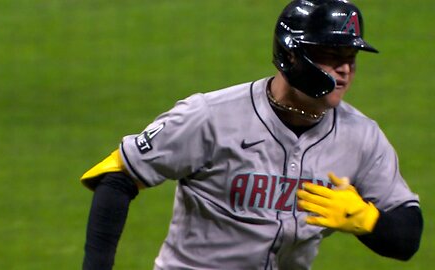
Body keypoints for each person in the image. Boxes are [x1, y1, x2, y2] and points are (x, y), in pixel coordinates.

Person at [80, 0, 423, 269]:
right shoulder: (211, 116)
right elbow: (117, 175)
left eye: (350, 58)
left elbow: (408, 236)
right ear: (292, 55)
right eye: (331, 56)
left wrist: (367, 220)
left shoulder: (361, 137)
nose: (345, 69)